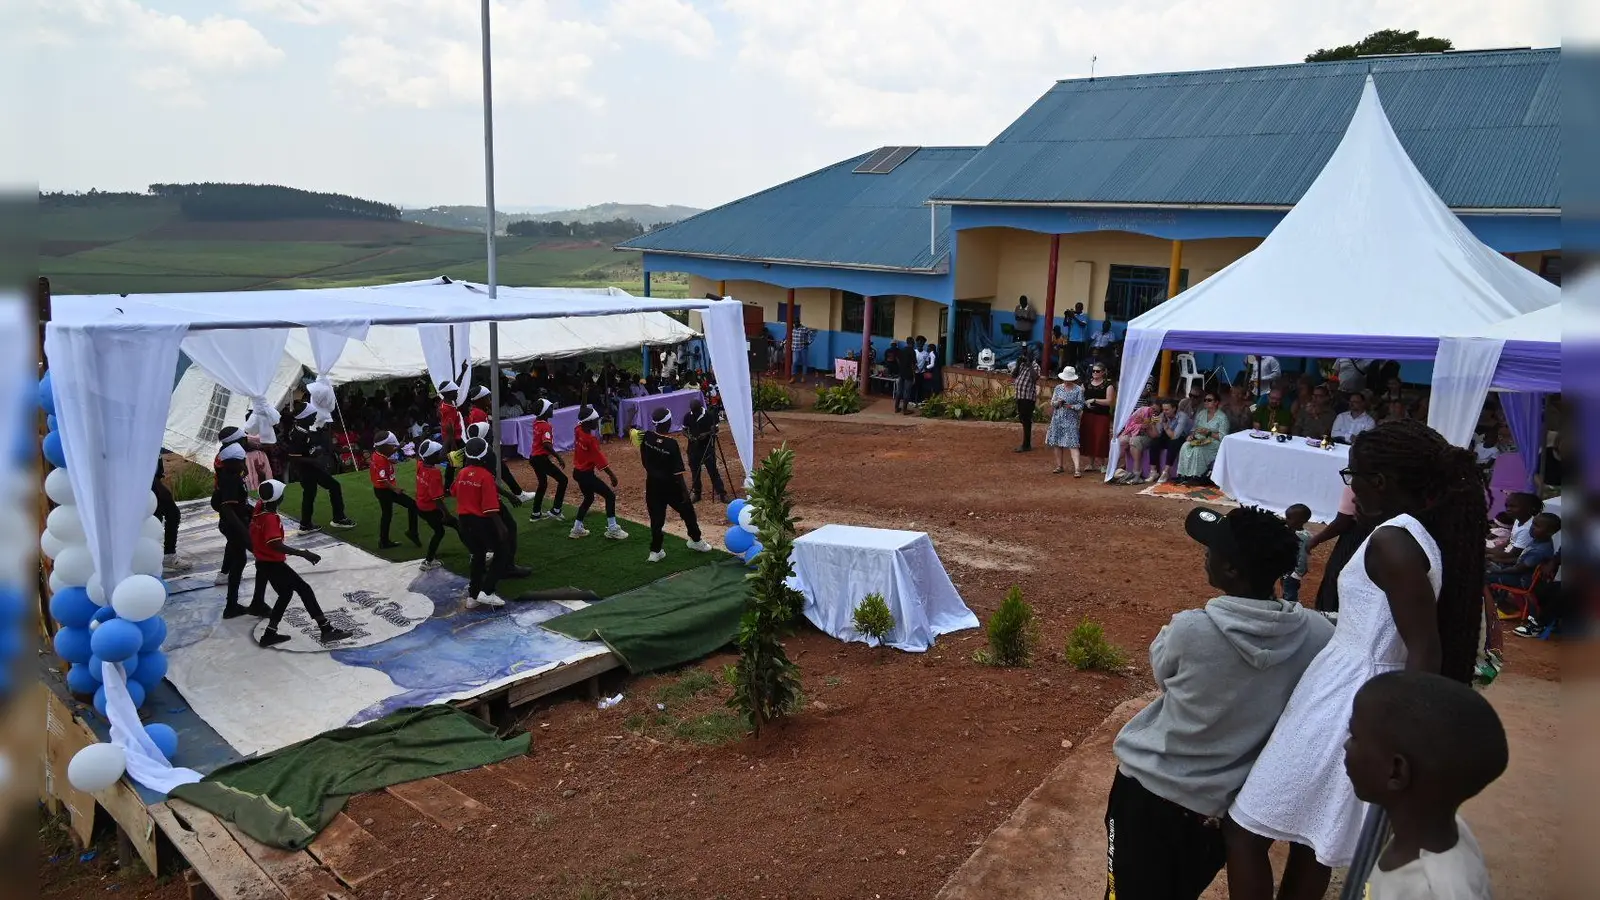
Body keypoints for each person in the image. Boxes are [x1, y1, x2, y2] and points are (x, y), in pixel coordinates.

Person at [1226, 419, 1488, 900]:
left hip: (1352, 702)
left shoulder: (1395, 541)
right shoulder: (1405, 534)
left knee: (1245, 829)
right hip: (1347, 690)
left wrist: (1397, 738)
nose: (1351, 488)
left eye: (1352, 477)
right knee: (1314, 842)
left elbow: (1425, 648)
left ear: (1381, 482)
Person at [1106, 506, 1333, 900]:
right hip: (1216, 809)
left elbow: (1164, 676)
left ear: (1231, 571)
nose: (1205, 554)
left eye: (1212, 550)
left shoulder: (1190, 629)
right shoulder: (1315, 635)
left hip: (1148, 794)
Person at [1343, 671, 1506, 900]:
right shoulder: (1432, 832)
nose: (1346, 744)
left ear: (1396, 771)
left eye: (1355, 736)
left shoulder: (1432, 890)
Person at [250, 480, 355, 648]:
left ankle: (269, 634)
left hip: (263, 563)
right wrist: (303, 553)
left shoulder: (259, 510)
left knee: (285, 594)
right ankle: (325, 629)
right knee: (304, 589)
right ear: (278, 499)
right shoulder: (270, 519)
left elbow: (264, 497)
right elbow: (274, 544)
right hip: (273, 564)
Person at [638, 408, 714, 563]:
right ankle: (695, 541)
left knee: (656, 520)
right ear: (668, 422)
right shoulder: (671, 444)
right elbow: (678, 473)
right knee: (688, 512)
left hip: (652, 486)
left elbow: (644, 459)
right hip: (672, 488)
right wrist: (685, 493)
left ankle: (655, 551)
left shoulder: (647, 437)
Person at [451, 438, 509, 609]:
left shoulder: (462, 473)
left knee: (478, 555)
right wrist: (501, 527)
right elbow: (490, 508)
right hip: (481, 521)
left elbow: (454, 491)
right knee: (502, 551)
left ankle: (473, 596)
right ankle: (487, 591)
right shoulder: (486, 476)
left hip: (464, 522)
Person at [285, 403, 355, 533]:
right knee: (333, 486)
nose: (314, 418)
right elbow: (293, 457)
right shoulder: (298, 434)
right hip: (308, 469)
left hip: (308, 468)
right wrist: (314, 461)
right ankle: (338, 518)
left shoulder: (302, 430)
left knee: (310, 494)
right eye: (312, 415)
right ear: (305, 417)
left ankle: (305, 524)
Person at [570, 405, 628, 541]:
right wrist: (612, 475)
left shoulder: (578, 429)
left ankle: (577, 529)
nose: (598, 422)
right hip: (586, 475)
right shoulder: (591, 441)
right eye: (595, 420)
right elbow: (600, 460)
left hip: (577, 473)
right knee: (610, 497)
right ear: (588, 422)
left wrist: (584, 397)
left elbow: (582, 414)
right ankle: (612, 529)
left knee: (588, 498)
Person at [213, 443, 254, 618]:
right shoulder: (230, 479)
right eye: (241, 461)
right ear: (232, 463)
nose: (243, 464)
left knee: (239, 560)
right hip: (234, 526)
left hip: (237, 524)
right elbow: (227, 509)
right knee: (240, 561)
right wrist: (244, 533)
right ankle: (231, 606)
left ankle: (232, 604)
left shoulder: (232, 476)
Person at [369, 431, 421, 551]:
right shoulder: (381, 460)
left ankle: (384, 541)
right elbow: (382, 479)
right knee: (412, 505)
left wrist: (398, 447)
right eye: (391, 446)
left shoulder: (377, 454)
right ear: (384, 446)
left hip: (380, 490)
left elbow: (387, 453)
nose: (393, 448)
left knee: (387, 515)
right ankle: (412, 532)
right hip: (386, 491)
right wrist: (395, 489)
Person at [413, 440, 456, 572]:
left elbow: (421, 454)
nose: (442, 454)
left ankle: (429, 560)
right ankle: (428, 561)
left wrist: (449, 438)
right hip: (431, 509)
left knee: (443, 530)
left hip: (420, 506)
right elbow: (437, 499)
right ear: (432, 456)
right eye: (439, 453)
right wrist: (446, 514)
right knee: (447, 529)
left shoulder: (420, 464)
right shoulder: (434, 473)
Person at [526, 399, 570, 521]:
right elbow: (546, 445)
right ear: (545, 411)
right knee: (563, 480)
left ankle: (535, 513)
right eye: (550, 407)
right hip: (541, 459)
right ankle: (556, 510)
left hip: (534, 458)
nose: (552, 409)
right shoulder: (546, 426)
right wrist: (559, 457)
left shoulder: (536, 422)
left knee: (543, 484)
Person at [1173, 393, 1229, 486]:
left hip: (1214, 442)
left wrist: (1209, 433)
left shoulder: (1222, 417)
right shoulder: (1201, 414)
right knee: (1185, 446)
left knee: (1198, 450)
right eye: (1205, 400)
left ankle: (1196, 476)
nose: (1206, 402)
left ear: (1216, 402)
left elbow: (1223, 437)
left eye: (1209, 400)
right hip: (1199, 439)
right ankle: (1183, 475)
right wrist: (1191, 436)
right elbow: (1194, 429)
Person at [684, 398, 727, 504]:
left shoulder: (709, 415)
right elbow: (683, 429)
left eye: (695, 411)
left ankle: (722, 494)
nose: (694, 413)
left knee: (713, 472)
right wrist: (689, 436)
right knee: (695, 472)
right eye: (692, 411)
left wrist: (707, 434)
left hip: (707, 447)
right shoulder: (688, 416)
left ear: (700, 408)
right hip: (693, 448)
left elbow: (715, 429)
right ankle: (697, 494)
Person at [1046, 367, 1085, 477]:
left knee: (1073, 443)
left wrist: (1071, 406)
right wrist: (1058, 402)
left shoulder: (1078, 390)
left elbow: (1081, 405)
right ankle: (1059, 466)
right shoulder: (1058, 388)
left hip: (1071, 419)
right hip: (1058, 418)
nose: (1066, 381)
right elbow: (1052, 403)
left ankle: (1077, 469)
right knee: (1057, 442)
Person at [153, 459, 190, 574]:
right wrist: (157, 485)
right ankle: (165, 555)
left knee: (157, 518)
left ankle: (160, 556)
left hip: (153, 481)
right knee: (171, 514)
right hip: (148, 483)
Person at [1112, 398, 1159, 484]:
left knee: (1134, 441)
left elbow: (1154, 435)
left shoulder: (1158, 417)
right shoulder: (1142, 411)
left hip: (1148, 437)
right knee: (1121, 441)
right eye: (1152, 409)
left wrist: (1147, 426)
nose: (1153, 411)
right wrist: (1141, 425)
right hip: (1135, 433)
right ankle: (1113, 469)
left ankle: (1136, 473)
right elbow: (1131, 425)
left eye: (1156, 410)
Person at [1081, 362, 1116, 473]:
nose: (1095, 373)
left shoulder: (1108, 385)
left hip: (1101, 416)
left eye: (1097, 371)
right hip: (1088, 415)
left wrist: (1094, 400)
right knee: (1089, 437)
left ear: (1103, 372)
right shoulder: (1085, 384)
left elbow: (1109, 401)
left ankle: (1102, 465)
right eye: (1093, 371)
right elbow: (1079, 397)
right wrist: (1084, 403)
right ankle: (1090, 464)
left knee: (1100, 438)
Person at [1150, 398, 1192, 484]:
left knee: (1173, 443)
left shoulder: (1182, 416)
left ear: (1174, 408)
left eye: (1167, 409)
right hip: (1169, 435)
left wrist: (1165, 425)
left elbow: (1175, 436)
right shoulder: (1162, 415)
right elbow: (1157, 434)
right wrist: (1153, 424)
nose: (1164, 412)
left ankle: (1166, 472)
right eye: (1163, 409)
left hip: (1183, 437)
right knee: (1154, 442)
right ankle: (1153, 471)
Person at [1280, 504, 1312, 603]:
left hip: (1293, 572)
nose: (1286, 520)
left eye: (1289, 518)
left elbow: (1303, 556)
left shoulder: (1304, 537)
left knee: (1290, 591)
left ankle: (1291, 608)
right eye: (1286, 517)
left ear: (1302, 521)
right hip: (1285, 569)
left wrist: (1298, 573)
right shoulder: (1288, 531)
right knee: (1285, 587)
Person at [1012, 348, 1042, 453]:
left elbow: (1034, 379)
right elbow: (1014, 375)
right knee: (1022, 419)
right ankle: (1026, 443)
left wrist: (1029, 366)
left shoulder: (1035, 366)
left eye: (1027, 355)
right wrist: (1017, 364)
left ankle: (1026, 444)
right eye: (1024, 355)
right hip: (1020, 396)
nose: (1025, 357)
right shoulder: (1021, 365)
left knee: (1026, 420)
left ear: (1032, 356)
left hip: (1028, 397)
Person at [894, 338, 919, 413]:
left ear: (906, 343)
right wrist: (914, 374)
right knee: (907, 392)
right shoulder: (912, 351)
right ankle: (904, 410)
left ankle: (896, 408)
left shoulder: (902, 350)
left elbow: (897, 359)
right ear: (913, 343)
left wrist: (902, 366)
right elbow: (913, 364)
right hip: (909, 374)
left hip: (901, 373)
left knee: (899, 391)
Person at [788, 314, 814, 383]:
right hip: (795, 348)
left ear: (799, 322)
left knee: (804, 362)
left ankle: (803, 377)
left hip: (803, 348)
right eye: (794, 322)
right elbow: (787, 336)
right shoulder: (792, 329)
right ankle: (793, 377)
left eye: (797, 322)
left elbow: (812, 334)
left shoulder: (804, 329)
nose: (796, 323)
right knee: (795, 362)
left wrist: (808, 342)